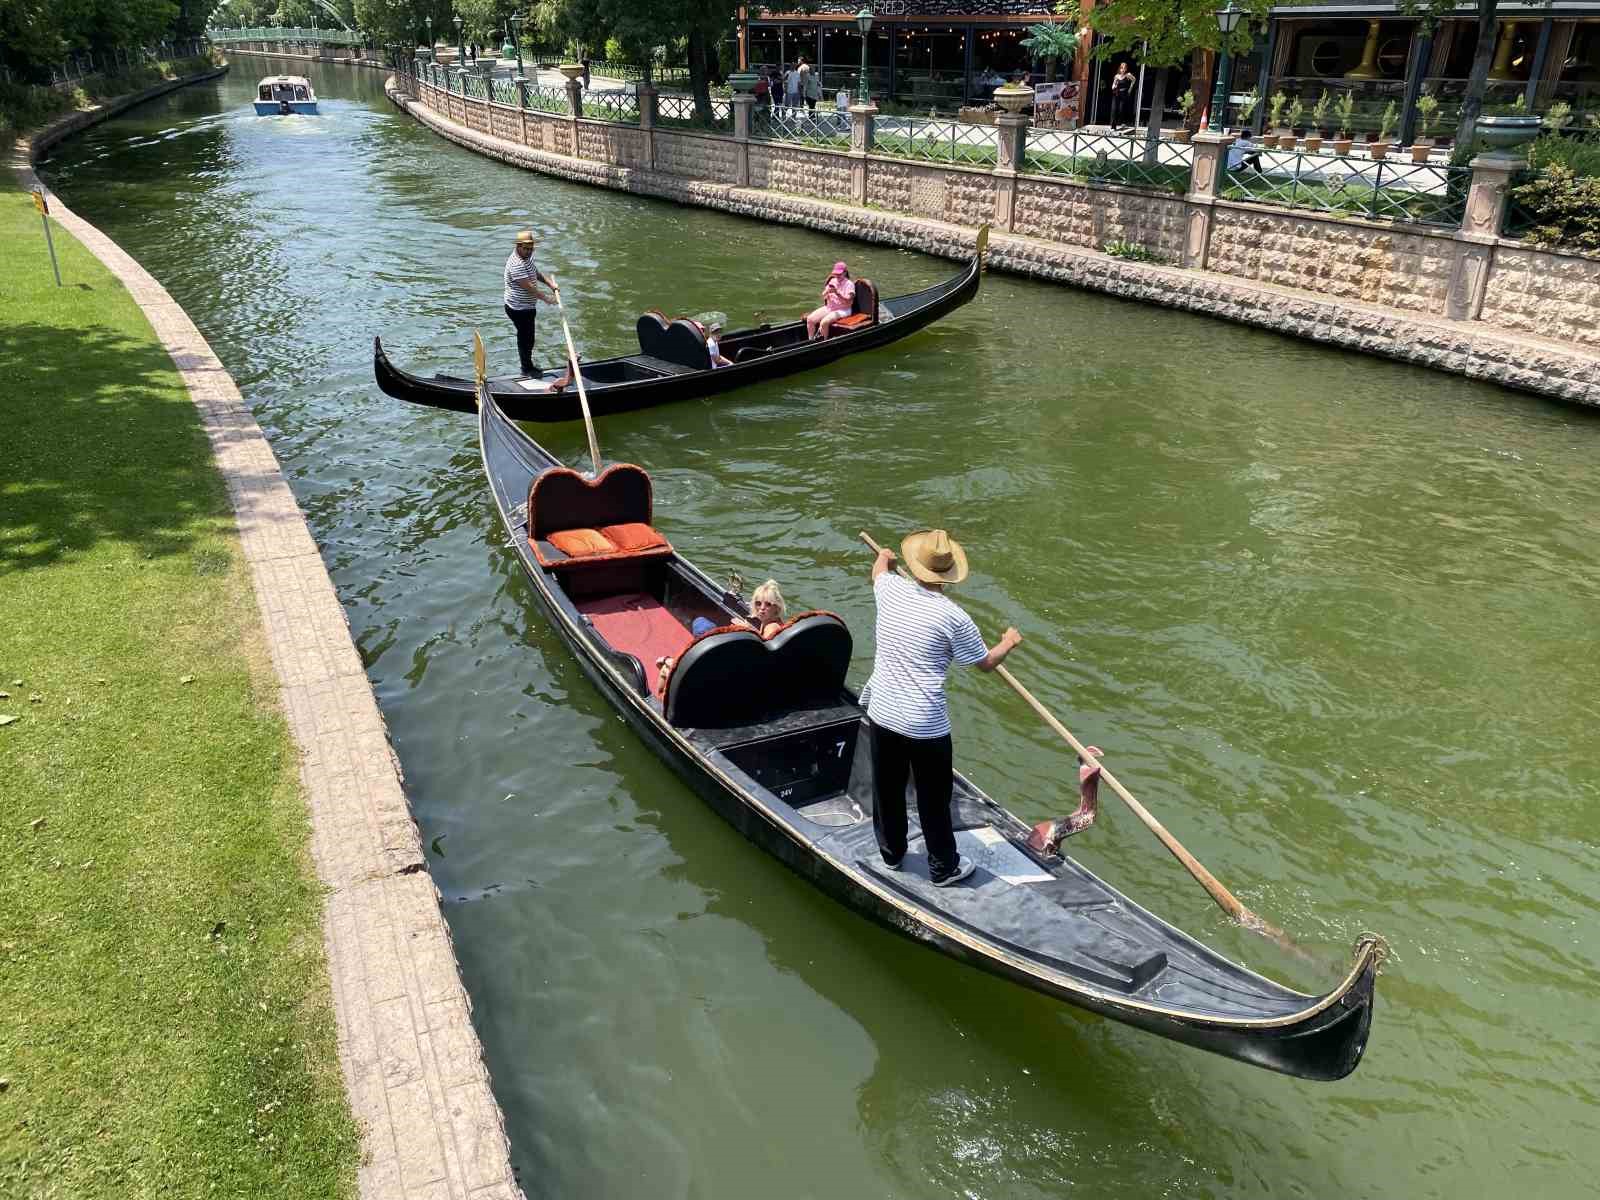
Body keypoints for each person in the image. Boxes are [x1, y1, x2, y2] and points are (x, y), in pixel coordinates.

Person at [863, 531, 1020, 887]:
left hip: (883, 711)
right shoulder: (954, 618)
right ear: (948, 576)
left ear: (916, 566)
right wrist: (1008, 642)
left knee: (886, 788)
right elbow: (985, 662)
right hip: (924, 724)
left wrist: (885, 556)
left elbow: (879, 570)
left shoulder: (888, 588)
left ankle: (892, 854)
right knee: (934, 800)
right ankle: (944, 868)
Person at [655, 580, 787, 699]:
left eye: (768, 604)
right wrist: (747, 629)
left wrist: (747, 629)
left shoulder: (772, 627)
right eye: (758, 603)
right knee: (702, 624)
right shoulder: (771, 622)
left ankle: (665, 687)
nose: (762, 608)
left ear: (776, 607)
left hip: (738, 673)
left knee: (666, 668)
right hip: (742, 666)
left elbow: (765, 654)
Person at [503, 229, 556, 378]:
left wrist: (549, 283)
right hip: (518, 308)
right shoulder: (516, 264)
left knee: (528, 337)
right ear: (518, 247)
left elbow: (535, 273)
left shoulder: (527, 257)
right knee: (526, 338)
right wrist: (548, 299)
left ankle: (527, 366)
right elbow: (530, 288)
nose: (528, 252)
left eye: (531, 249)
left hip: (527, 306)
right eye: (525, 249)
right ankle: (526, 369)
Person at [805, 262, 855, 340]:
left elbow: (848, 301)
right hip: (830, 307)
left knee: (824, 322)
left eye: (839, 274)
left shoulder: (850, 284)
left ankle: (824, 342)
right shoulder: (832, 281)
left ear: (845, 273)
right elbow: (823, 295)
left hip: (843, 310)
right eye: (836, 274)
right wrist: (826, 293)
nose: (837, 276)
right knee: (810, 319)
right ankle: (810, 340)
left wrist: (837, 293)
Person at [1110, 61, 1135, 129]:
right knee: (1114, 109)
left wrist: (1130, 88)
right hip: (1116, 93)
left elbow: (1134, 80)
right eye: (1121, 68)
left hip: (1124, 94)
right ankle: (1113, 126)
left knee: (1121, 109)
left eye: (1124, 68)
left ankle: (1122, 122)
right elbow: (1113, 84)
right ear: (1119, 69)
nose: (1123, 70)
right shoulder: (1116, 76)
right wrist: (1113, 86)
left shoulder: (1128, 75)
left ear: (1126, 69)